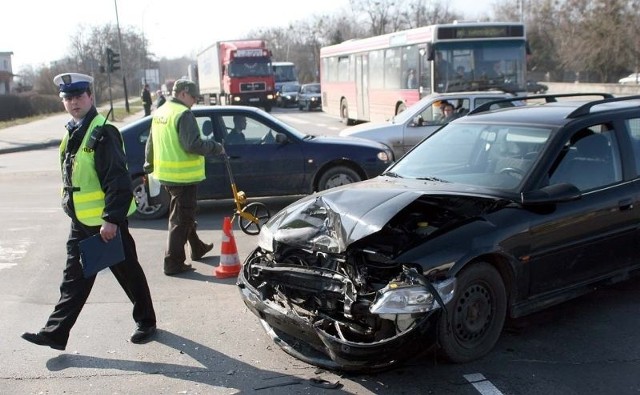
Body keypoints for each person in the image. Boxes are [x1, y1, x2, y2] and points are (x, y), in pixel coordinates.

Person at [21, 73, 157, 350]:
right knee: (74, 278)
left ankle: (146, 321)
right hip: (81, 221)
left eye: (78, 96)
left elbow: (117, 180)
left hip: (105, 223)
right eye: (68, 98)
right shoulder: (73, 130)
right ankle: (55, 332)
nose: (73, 102)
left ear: (90, 97)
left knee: (128, 272)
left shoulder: (102, 131)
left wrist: (111, 219)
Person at [144, 78, 225, 275]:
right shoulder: (183, 113)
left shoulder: (161, 112)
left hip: (166, 175)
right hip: (183, 178)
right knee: (180, 220)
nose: (195, 101)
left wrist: (148, 164)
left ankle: (197, 247)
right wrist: (216, 147)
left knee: (184, 215)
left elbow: (150, 142)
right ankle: (173, 263)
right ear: (182, 94)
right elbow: (193, 145)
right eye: (193, 97)